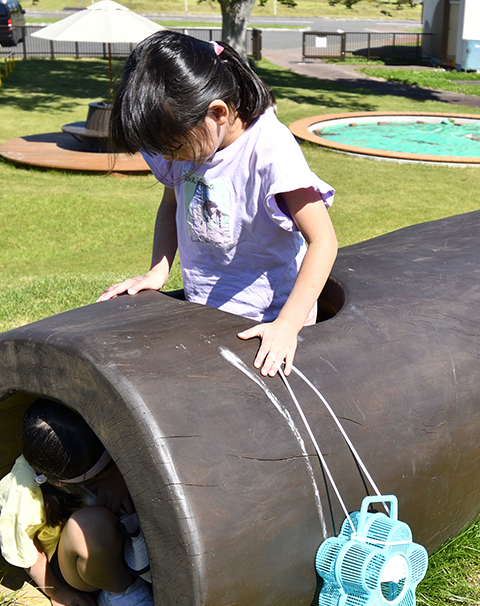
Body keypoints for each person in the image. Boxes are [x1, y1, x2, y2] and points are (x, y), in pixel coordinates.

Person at [97, 31, 337, 379]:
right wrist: (158, 270)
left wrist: (287, 325)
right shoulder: (189, 137)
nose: (168, 159)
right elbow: (171, 204)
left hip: (269, 319)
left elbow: (323, 241)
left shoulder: (270, 151)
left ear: (218, 113)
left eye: (174, 148)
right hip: (207, 309)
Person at [0, 399, 154, 606]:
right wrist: (57, 591)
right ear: (59, 482)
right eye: (99, 474)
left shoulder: (86, 442)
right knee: (89, 527)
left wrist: (119, 476)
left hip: (119, 531)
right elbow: (24, 550)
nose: (106, 473)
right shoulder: (24, 490)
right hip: (77, 559)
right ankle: (119, 591)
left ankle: (139, 563)